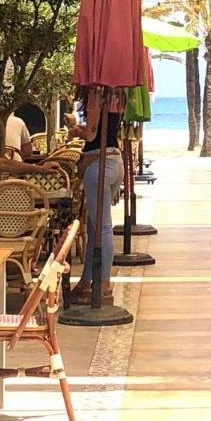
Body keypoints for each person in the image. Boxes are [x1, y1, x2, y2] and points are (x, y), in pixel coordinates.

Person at [70, 92, 124, 305]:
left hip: (100, 164)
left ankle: (102, 285)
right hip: (114, 159)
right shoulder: (114, 95)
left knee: (102, 227)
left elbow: (91, 135)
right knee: (96, 226)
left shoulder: (95, 96)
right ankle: (86, 281)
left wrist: (76, 129)